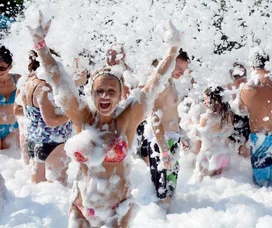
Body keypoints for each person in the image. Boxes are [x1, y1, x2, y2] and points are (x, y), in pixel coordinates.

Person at [27, 12, 182, 228]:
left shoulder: (128, 118)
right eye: (99, 91)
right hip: (82, 209)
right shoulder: (83, 117)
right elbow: (59, 80)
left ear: (120, 95)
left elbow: (155, 82)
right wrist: (41, 45)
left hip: (116, 211)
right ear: (92, 94)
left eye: (111, 91)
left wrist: (173, 51)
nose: (105, 96)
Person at [15, 50, 72, 184]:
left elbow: (17, 110)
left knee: (38, 190)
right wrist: (71, 114)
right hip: (53, 143)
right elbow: (51, 121)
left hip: (32, 141)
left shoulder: (25, 82)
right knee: (60, 189)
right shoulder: (44, 87)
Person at [240, 50, 272, 189]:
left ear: (252, 66)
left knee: (263, 189)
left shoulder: (247, 88)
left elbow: (239, 109)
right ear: (268, 63)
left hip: (260, 140)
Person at [148, 49, 190, 210]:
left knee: (169, 193)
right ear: (170, 62)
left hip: (170, 140)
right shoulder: (162, 84)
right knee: (161, 194)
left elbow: (170, 114)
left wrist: (182, 134)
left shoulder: (170, 83)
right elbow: (155, 117)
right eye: (179, 68)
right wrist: (164, 149)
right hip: (161, 142)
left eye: (184, 69)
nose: (182, 72)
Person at [195, 86, 233, 181]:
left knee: (202, 184)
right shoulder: (228, 115)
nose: (204, 102)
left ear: (213, 100)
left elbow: (199, 139)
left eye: (205, 99)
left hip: (208, 157)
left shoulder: (206, 118)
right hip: (224, 156)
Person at [228, 62, 251, 157]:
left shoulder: (251, 90)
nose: (240, 79)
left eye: (242, 75)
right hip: (232, 129)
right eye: (236, 76)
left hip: (249, 128)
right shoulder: (228, 92)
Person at [0, 46, 20, 150]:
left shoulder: (18, 80)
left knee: (15, 160)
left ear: (10, 67)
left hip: (13, 129)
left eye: (2, 68)